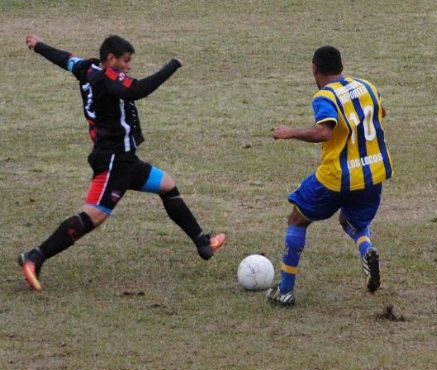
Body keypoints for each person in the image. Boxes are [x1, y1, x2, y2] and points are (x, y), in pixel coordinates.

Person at [18, 34, 225, 292]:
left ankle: (202, 242)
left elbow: (64, 58)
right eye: (125, 61)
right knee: (93, 215)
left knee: (167, 185)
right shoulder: (107, 78)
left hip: (126, 159)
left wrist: (38, 46)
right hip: (114, 161)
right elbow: (137, 90)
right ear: (111, 59)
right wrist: (173, 65)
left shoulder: (87, 67)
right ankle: (35, 256)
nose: (128, 67)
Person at [269, 45, 393, 306]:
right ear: (342, 67)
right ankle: (366, 248)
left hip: (337, 176)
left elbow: (324, 132)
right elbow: (382, 113)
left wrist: (290, 132)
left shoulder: (324, 97)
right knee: (352, 221)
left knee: (297, 220)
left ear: (314, 69)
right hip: (372, 174)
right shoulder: (367, 86)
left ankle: (285, 291)